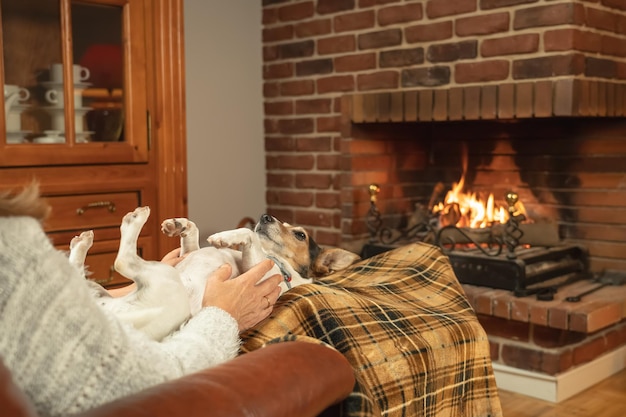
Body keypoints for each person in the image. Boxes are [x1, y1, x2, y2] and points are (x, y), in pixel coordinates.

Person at [0, 184, 283, 417]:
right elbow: (150, 386)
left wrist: (140, 289)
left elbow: (62, 314)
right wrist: (223, 315)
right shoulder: (11, 244)